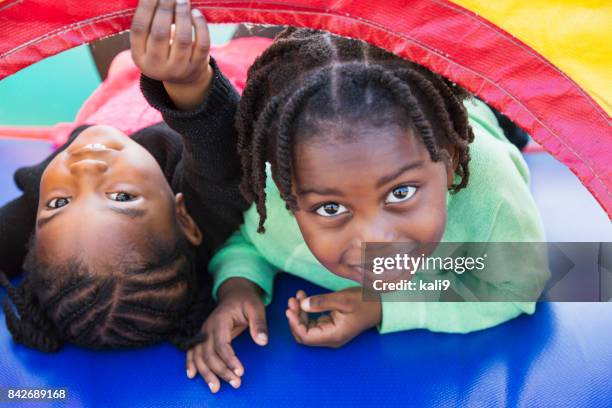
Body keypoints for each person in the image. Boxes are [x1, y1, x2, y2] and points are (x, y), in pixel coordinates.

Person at [187, 28, 548, 392]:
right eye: (331, 208)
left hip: (482, 115)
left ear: (450, 161)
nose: (375, 239)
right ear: (288, 197)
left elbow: (521, 283)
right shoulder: (281, 200)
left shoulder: (492, 189)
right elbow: (247, 240)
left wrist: (383, 307)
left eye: (401, 192)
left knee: (499, 103)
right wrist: (238, 287)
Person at [0, 0, 247, 352]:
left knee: (99, 11)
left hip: (123, 81)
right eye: (122, 198)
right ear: (184, 219)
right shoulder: (203, 205)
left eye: (59, 202)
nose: (83, 169)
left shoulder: (41, 211)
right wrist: (190, 83)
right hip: (233, 63)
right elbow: (221, 149)